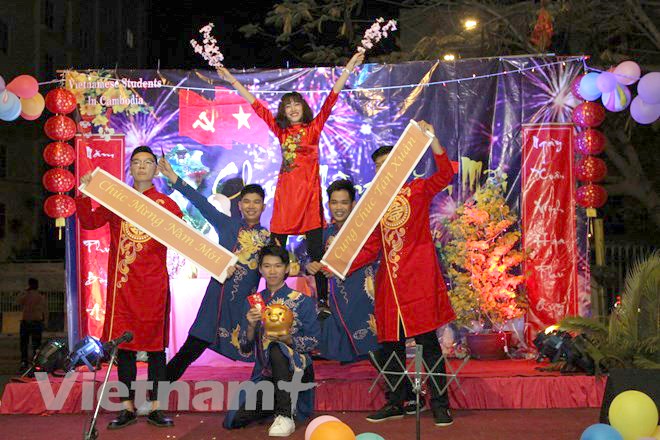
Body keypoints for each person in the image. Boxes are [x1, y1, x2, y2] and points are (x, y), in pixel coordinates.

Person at [217, 51, 364, 319]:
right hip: (286, 202)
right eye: (288, 106)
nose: (293, 109)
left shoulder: (314, 129)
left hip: (309, 202)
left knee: (317, 254)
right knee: (273, 254)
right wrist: (231, 80)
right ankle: (263, 300)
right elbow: (257, 106)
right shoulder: (281, 132)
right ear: (283, 111)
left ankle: (322, 302)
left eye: (297, 104)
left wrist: (349, 67)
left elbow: (332, 97)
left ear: (303, 108)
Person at [348, 121, 457, 426]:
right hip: (390, 286)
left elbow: (445, 174)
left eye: (388, 163)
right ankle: (399, 401)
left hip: (418, 279)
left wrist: (433, 139)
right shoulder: (374, 205)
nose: (383, 169)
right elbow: (371, 248)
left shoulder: (417, 190)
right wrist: (338, 265)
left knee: (428, 345)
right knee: (390, 348)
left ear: (400, 166)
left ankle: (440, 404)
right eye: (378, 166)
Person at [76, 146, 182, 429]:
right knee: (124, 349)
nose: (142, 167)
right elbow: (89, 221)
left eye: (148, 162)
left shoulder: (167, 204)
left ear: (156, 169)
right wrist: (84, 193)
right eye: (136, 162)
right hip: (123, 288)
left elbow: (182, 238)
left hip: (155, 286)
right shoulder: (118, 200)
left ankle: (156, 408)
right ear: (130, 168)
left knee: (157, 349)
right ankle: (127, 408)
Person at [157, 157, 270, 380]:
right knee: (190, 350)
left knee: (263, 351)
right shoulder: (227, 225)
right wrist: (174, 178)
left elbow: (275, 273)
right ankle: (155, 392)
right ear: (239, 205)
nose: (251, 206)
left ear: (263, 206)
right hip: (216, 299)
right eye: (247, 202)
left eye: (256, 202)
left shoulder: (268, 239)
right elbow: (201, 203)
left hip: (243, 306)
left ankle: (270, 395)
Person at [223, 245, 321, 437]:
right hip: (265, 374)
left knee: (277, 348)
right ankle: (276, 401)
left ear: (287, 268)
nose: (273, 271)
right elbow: (245, 347)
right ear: (260, 269)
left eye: (278, 266)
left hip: (296, 370)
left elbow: (314, 341)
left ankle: (285, 415)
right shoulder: (254, 302)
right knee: (233, 420)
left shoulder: (302, 300)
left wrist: (289, 340)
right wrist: (251, 326)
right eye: (267, 266)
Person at [307, 179, 380, 363]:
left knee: (375, 350)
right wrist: (311, 266)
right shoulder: (326, 233)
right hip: (338, 301)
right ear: (328, 205)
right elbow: (316, 261)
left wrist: (339, 268)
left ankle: (396, 381)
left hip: (363, 297)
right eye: (334, 202)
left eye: (344, 202)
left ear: (353, 204)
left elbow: (371, 254)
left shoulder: (363, 230)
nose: (338, 208)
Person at [17, 278, 47, 371]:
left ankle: (24, 362)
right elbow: (45, 310)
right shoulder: (40, 296)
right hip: (36, 322)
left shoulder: (25, 295)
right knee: (36, 345)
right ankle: (35, 363)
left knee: (24, 344)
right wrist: (45, 321)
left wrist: (24, 291)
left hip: (26, 322)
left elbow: (18, 301)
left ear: (29, 285)